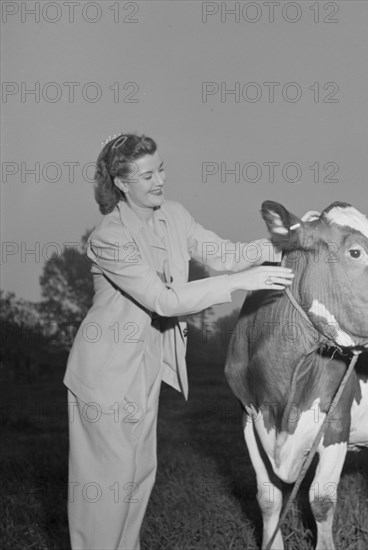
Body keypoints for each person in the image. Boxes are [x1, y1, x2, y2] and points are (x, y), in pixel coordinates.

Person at [63, 133, 294, 549]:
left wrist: (279, 246)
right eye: (147, 175)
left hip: (146, 368)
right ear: (121, 182)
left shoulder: (174, 215)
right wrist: (243, 283)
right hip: (104, 375)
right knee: (105, 491)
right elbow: (163, 301)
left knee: (136, 481)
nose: (160, 180)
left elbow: (222, 254)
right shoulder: (109, 237)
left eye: (161, 169)